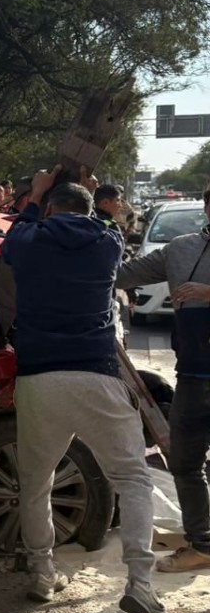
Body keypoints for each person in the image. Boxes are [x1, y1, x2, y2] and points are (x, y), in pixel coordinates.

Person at [2, 168, 164, 613]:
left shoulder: (29, 240)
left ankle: (40, 571)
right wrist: (91, 198)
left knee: (36, 484)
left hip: (39, 378)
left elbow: (12, 239)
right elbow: (114, 223)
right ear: (90, 210)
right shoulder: (107, 243)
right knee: (132, 478)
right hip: (97, 374)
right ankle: (140, 583)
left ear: (49, 209)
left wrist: (33, 195)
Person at [115, 187, 210, 574]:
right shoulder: (181, 248)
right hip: (192, 374)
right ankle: (202, 543)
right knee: (186, 464)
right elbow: (121, 274)